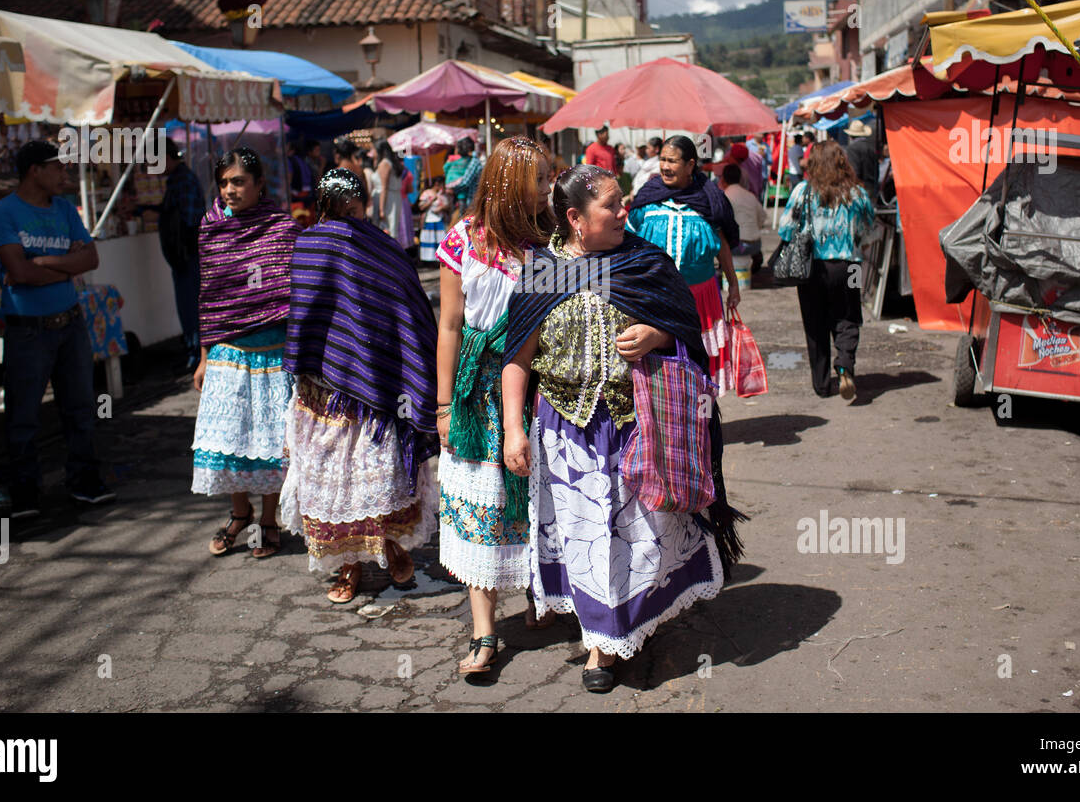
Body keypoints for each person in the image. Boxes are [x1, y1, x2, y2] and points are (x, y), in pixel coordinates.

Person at [500, 165, 745, 693]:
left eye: (621, 202)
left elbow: (686, 327)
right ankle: (601, 643)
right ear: (574, 218)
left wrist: (658, 333)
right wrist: (512, 429)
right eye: (610, 205)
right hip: (566, 433)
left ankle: (622, 630)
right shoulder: (544, 270)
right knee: (588, 536)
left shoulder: (642, 261)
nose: (622, 212)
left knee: (637, 535)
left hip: (636, 426)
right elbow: (517, 355)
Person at [279, 169, 438, 602]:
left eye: (355, 208)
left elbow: (407, 311)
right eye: (340, 210)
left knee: (375, 478)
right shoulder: (311, 246)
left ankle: (387, 545)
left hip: (375, 387)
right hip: (325, 389)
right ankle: (349, 564)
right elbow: (307, 313)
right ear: (324, 208)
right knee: (338, 485)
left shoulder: (382, 248)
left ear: (365, 204)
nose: (348, 219)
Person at [436, 136, 556, 676]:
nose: (549, 187)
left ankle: (538, 587)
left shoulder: (552, 242)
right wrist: (442, 407)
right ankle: (484, 633)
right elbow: (450, 326)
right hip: (476, 391)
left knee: (538, 492)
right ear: (512, 184)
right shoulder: (462, 240)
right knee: (479, 504)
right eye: (540, 179)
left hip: (538, 385)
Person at [0, 140, 112, 517]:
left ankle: (84, 482)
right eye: (58, 167)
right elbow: (19, 272)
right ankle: (25, 492)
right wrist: (64, 265)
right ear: (34, 171)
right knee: (23, 414)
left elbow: (90, 258)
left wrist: (42, 261)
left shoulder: (64, 209)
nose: (65, 173)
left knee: (80, 408)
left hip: (70, 323)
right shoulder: (2, 214)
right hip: (28, 330)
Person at [192, 147, 301, 558]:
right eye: (223, 183)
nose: (229, 190)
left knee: (272, 442)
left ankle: (268, 520)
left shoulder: (281, 228)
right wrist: (204, 356)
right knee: (229, 440)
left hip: (274, 355)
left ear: (258, 184)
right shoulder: (210, 228)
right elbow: (208, 295)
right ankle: (239, 514)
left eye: (238, 182)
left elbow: (297, 294)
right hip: (227, 354)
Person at [627, 136, 741, 396]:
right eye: (662, 160)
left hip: (700, 297)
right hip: (656, 296)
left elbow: (722, 245)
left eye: (672, 161)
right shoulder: (648, 197)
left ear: (690, 165)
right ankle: (666, 421)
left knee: (699, 364)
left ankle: (701, 424)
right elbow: (627, 240)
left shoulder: (710, 200)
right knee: (660, 363)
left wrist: (732, 284)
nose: (665, 166)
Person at [779, 140, 876, 402]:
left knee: (815, 322)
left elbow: (785, 229)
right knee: (849, 316)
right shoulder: (857, 193)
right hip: (849, 267)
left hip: (812, 267)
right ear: (842, 163)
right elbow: (869, 232)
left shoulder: (802, 191)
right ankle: (844, 364)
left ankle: (821, 384)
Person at [152, 138, 204, 372]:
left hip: (187, 255)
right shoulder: (179, 178)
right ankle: (194, 351)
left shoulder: (182, 180)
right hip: (185, 254)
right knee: (189, 304)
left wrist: (183, 247)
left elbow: (190, 220)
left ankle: (196, 353)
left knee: (190, 305)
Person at [719, 163, 767, 274]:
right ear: (740, 179)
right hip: (755, 245)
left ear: (723, 179)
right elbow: (762, 217)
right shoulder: (750, 195)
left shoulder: (723, 197)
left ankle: (723, 270)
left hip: (735, 247)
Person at [374, 139, 415, 253]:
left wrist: (381, 209)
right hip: (394, 199)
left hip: (387, 200)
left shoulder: (384, 164)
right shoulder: (393, 163)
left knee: (388, 231)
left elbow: (384, 187)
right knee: (392, 230)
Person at [844, 119, 881, 201]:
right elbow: (877, 168)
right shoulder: (871, 147)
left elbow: (854, 170)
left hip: (860, 187)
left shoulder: (852, 148)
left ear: (851, 135)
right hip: (872, 185)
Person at [417, 177, 451, 265]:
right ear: (436, 184)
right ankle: (428, 260)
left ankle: (440, 259)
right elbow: (421, 207)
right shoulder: (426, 193)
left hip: (440, 220)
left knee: (439, 239)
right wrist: (431, 200)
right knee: (429, 239)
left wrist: (442, 207)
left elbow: (448, 206)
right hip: (429, 220)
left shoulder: (442, 194)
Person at [445, 137, 483, 215]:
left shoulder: (474, 161)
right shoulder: (470, 160)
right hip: (467, 199)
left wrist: (453, 189)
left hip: (470, 200)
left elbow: (465, 182)